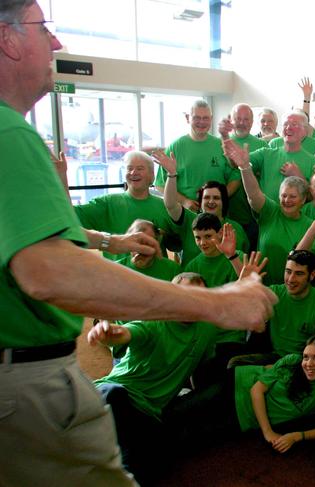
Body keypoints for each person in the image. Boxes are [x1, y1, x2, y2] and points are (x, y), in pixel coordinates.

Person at [0, 3, 276, 485]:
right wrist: (217, 304)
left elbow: (32, 241)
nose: (58, 43)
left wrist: (111, 240)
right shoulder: (10, 134)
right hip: (26, 383)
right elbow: (49, 270)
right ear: (9, 38)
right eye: (44, 28)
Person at [90, 272, 221, 484]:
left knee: (159, 466)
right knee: (116, 395)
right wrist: (112, 334)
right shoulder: (154, 322)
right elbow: (130, 332)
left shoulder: (207, 328)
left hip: (150, 412)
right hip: (116, 395)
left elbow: (201, 367)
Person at [223, 139, 314, 284]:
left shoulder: (310, 226)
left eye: (292, 196)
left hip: (292, 289)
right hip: (262, 286)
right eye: (284, 196)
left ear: (303, 200)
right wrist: (245, 168)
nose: (287, 200)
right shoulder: (270, 211)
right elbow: (253, 194)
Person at [154, 149, 249, 267]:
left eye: (216, 198)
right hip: (191, 281)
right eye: (207, 197)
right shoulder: (189, 219)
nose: (211, 201)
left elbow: (244, 261)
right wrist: (172, 174)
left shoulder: (235, 228)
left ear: (223, 201)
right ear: (200, 201)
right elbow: (170, 204)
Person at [75, 150, 174, 261]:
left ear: (152, 175)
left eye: (140, 168)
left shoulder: (165, 206)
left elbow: (175, 245)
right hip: (117, 275)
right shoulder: (107, 203)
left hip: (155, 275)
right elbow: (68, 215)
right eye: (129, 168)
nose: (133, 172)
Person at [154, 99, 238, 212]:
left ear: (211, 119)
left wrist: (221, 197)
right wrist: (183, 201)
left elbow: (236, 176)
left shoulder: (221, 145)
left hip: (217, 216)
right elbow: (160, 184)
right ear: (188, 118)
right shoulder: (175, 148)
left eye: (205, 118)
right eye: (197, 118)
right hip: (185, 214)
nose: (201, 122)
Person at [217, 103, 269, 238]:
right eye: (238, 119)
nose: (242, 123)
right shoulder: (219, 143)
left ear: (252, 122)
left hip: (255, 216)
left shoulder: (262, 145)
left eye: (246, 119)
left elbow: (263, 176)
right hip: (227, 214)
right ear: (231, 120)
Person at [115, 219, 180, 281]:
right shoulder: (116, 269)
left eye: (147, 243)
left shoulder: (173, 270)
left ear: (157, 243)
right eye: (136, 243)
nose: (141, 249)